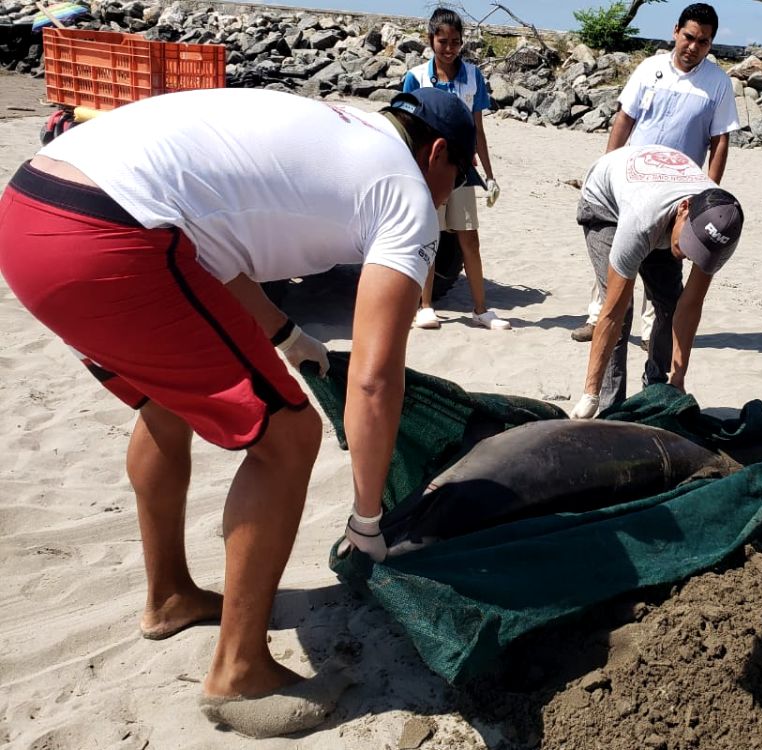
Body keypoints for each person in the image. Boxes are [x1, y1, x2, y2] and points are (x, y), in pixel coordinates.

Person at [0, 85, 483, 737]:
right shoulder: (403, 189)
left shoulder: (331, 131)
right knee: (289, 436)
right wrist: (369, 517)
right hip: (109, 233)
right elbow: (373, 380)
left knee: (164, 404)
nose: (447, 196)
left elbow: (213, 246)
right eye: (454, 179)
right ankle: (239, 671)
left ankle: (168, 596)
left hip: (30, 214)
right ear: (437, 153)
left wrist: (288, 336)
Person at [570, 2, 740, 345]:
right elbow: (625, 119)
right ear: (676, 32)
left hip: (678, 191)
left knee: (665, 259)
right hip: (630, 182)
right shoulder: (649, 69)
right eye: (689, 37)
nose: (693, 47)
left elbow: (720, 141)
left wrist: (709, 193)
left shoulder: (718, 84)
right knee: (615, 250)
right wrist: (607, 165)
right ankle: (598, 317)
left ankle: (652, 332)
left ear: (711, 44)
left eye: (703, 42)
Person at [569, 145, 744, 419]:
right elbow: (611, 315)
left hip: (658, 202)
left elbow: (690, 304)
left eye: (698, 252)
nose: (687, 255)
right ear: (685, 209)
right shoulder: (641, 221)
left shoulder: (722, 230)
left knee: (670, 301)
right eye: (689, 243)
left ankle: (656, 389)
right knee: (622, 309)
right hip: (605, 205)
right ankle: (609, 409)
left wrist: (679, 378)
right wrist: (588, 393)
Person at [403, 6, 509, 331]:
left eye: (455, 42)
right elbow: (407, 126)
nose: (449, 49)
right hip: (427, 170)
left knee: (469, 239)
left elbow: (477, 129)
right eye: (443, 41)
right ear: (430, 40)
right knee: (429, 237)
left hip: (461, 169)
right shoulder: (416, 77)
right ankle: (425, 306)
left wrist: (490, 176)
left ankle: (480, 310)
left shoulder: (473, 76)